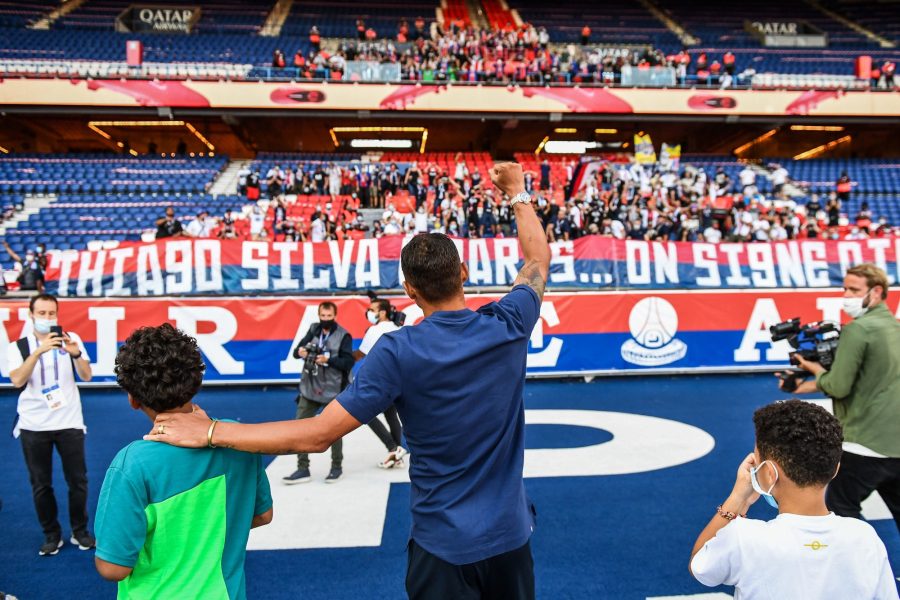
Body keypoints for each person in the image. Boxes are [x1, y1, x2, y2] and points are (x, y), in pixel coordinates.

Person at [143, 162, 550, 599]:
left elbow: (318, 435)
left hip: (444, 547)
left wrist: (209, 431)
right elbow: (537, 260)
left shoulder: (396, 351)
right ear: (464, 274)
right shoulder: (509, 321)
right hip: (511, 540)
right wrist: (517, 191)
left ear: (409, 290)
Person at [94, 324, 273, 597]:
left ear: (132, 399)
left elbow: (112, 568)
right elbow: (262, 514)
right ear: (195, 384)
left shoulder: (131, 464)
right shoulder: (237, 439)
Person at [690, 399, 897, 599]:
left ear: (769, 474)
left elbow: (699, 565)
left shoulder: (744, 538)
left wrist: (737, 497)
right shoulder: (865, 538)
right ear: (835, 469)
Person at [780, 263, 900, 530]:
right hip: (896, 442)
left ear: (877, 292)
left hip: (865, 442)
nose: (846, 295)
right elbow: (872, 380)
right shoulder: (894, 327)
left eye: (854, 289)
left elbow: (839, 386)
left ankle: (867, 567)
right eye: (845, 288)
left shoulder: (858, 330)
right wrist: (809, 384)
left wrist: (814, 370)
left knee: (841, 509)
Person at [7, 294, 94, 556]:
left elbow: (87, 376)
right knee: (41, 484)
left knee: (78, 481)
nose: (47, 318)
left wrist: (75, 353)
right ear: (30, 314)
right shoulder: (18, 346)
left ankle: (80, 531)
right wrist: (38, 352)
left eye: (51, 313)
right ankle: (51, 534)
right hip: (33, 424)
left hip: (69, 421)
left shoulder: (71, 340)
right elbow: (17, 381)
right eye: (42, 313)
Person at [282, 301, 354, 484]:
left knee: (334, 430)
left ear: (335, 316)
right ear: (319, 315)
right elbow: (296, 353)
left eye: (329, 316)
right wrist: (302, 352)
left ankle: (336, 467)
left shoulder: (344, 335)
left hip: (333, 389)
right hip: (310, 387)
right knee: (300, 428)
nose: (325, 319)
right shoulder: (314, 329)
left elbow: (348, 363)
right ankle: (302, 468)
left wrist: (328, 360)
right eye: (323, 316)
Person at [353, 298, 407, 469]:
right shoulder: (397, 327)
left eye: (371, 309)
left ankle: (392, 446)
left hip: (379, 380)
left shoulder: (375, 330)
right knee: (391, 415)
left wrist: (338, 356)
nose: (368, 312)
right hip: (397, 379)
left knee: (363, 413)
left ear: (382, 312)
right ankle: (397, 454)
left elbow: (360, 354)